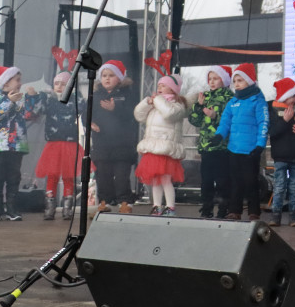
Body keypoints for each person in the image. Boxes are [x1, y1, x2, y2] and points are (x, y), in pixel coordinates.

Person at [212, 63, 269, 221]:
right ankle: (234, 211)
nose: (236, 84)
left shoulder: (258, 101)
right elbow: (225, 122)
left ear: (249, 81)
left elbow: (263, 123)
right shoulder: (233, 102)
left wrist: (260, 145)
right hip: (233, 149)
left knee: (251, 182)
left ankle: (254, 212)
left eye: (240, 80)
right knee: (235, 182)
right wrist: (219, 136)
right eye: (235, 81)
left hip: (250, 150)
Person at [0, 66, 41, 221]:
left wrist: (33, 98)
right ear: (5, 82)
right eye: (17, 80)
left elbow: (31, 114)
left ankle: (12, 210)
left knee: (14, 177)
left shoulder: (21, 98)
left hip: (16, 145)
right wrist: (9, 101)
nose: (19, 83)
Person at [87, 60, 138, 215]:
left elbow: (133, 114)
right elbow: (85, 113)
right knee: (103, 176)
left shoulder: (128, 94)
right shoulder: (95, 95)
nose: (107, 79)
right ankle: (104, 202)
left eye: (111, 75)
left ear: (120, 78)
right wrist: (90, 123)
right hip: (102, 144)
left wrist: (116, 109)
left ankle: (125, 202)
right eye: (104, 75)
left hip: (122, 144)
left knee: (122, 176)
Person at [134, 73, 187, 216]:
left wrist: (157, 100)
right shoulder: (155, 105)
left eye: (163, 85)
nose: (159, 88)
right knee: (155, 181)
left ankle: (170, 207)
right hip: (153, 148)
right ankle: (156, 206)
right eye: (158, 86)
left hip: (166, 149)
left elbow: (168, 114)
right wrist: (147, 103)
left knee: (165, 180)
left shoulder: (177, 106)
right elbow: (139, 116)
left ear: (172, 89)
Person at [35, 69, 83, 220]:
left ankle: (67, 208)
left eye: (63, 84)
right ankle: (50, 208)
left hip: (69, 143)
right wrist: (42, 96)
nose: (59, 87)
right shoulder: (49, 100)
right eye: (56, 83)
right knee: (52, 174)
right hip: (53, 143)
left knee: (69, 175)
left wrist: (76, 94)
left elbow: (81, 107)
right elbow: (39, 110)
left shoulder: (73, 100)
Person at [187, 65, 234, 219]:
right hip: (206, 146)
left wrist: (216, 116)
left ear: (224, 80)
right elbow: (194, 120)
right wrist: (198, 106)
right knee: (206, 180)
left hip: (222, 146)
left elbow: (232, 121)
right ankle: (206, 208)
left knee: (222, 180)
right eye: (210, 79)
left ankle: (223, 208)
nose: (212, 82)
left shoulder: (230, 98)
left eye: (215, 78)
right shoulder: (205, 96)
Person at [267, 77, 295, 227]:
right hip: (280, 157)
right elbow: (272, 132)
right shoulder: (272, 112)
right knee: (279, 186)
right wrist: (284, 120)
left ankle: (293, 216)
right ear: (284, 96)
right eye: (292, 96)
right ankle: (276, 216)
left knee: (294, 187)